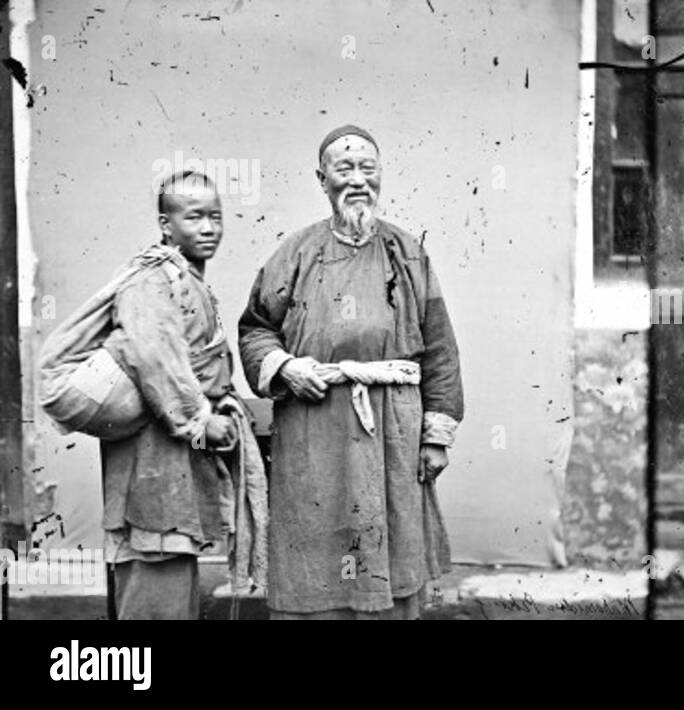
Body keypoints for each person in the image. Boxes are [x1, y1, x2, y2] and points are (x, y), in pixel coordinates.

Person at [239, 125, 464, 619]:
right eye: (345, 169)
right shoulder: (294, 253)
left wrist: (436, 435)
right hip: (313, 429)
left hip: (392, 431)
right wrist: (288, 367)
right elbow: (256, 330)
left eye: (368, 167)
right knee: (314, 547)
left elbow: (441, 350)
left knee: (390, 548)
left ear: (381, 176)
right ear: (322, 180)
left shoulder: (408, 253)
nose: (358, 179)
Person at [100, 170, 238, 619]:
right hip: (149, 471)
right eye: (195, 217)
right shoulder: (152, 281)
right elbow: (156, 363)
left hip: (174, 469)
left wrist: (225, 403)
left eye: (215, 217)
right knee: (153, 591)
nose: (209, 228)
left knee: (174, 586)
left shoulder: (188, 280)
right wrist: (204, 422)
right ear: (165, 224)